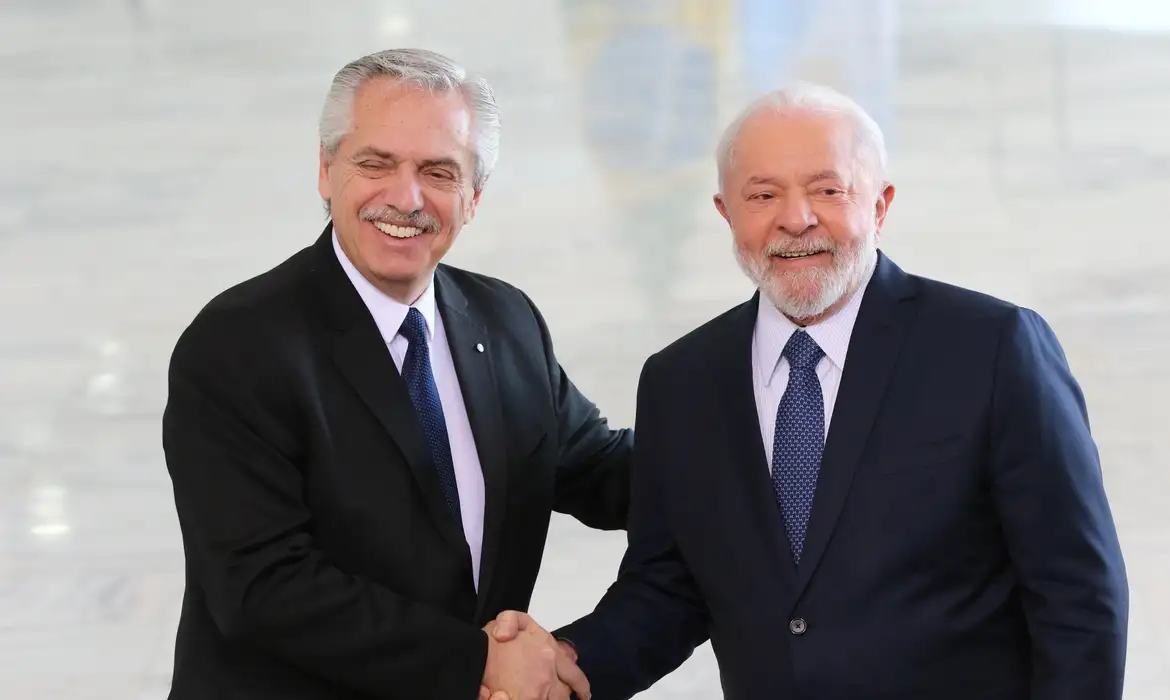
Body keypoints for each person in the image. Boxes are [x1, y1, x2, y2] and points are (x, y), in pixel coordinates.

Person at [488, 83, 1130, 699]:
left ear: (879, 205)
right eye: (762, 195)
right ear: (726, 212)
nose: (796, 220)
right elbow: (671, 586)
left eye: (828, 190)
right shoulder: (682, 382)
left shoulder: (992, 347)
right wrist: (564, 666)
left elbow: (1077, 591)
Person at [161, 48, 629, 700]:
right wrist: (478, 663)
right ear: (326, 171)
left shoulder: (506, 319)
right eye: (375, 164)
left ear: (474, 196)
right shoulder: (237, 344)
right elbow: (262, 586)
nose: (405, 198)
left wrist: (762, 446)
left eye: (439, 171)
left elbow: (601, 469)